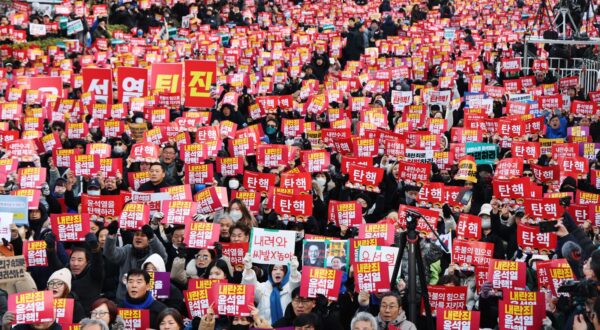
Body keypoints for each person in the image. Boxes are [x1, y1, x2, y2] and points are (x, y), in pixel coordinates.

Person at [103, 221, 167, 303]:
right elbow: (110, 254)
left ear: (148, 240)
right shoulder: (127, 250)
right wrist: (111, 235)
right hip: (124, 299)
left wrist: (152, 237)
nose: (138, 237)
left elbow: (163, 257)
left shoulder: (153, 253)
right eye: (136, 235)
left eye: (143, 235)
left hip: (148, 299)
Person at [242, 253, 301, 324]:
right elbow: (250, 287)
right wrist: (248, 269)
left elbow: (296, 286)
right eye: (274, 269)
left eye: (282, 270)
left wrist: (294, 272)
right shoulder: (263, 288)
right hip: (263, 327)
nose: (278, 272)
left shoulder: (290, 288)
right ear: (270, 272)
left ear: (286, 273)